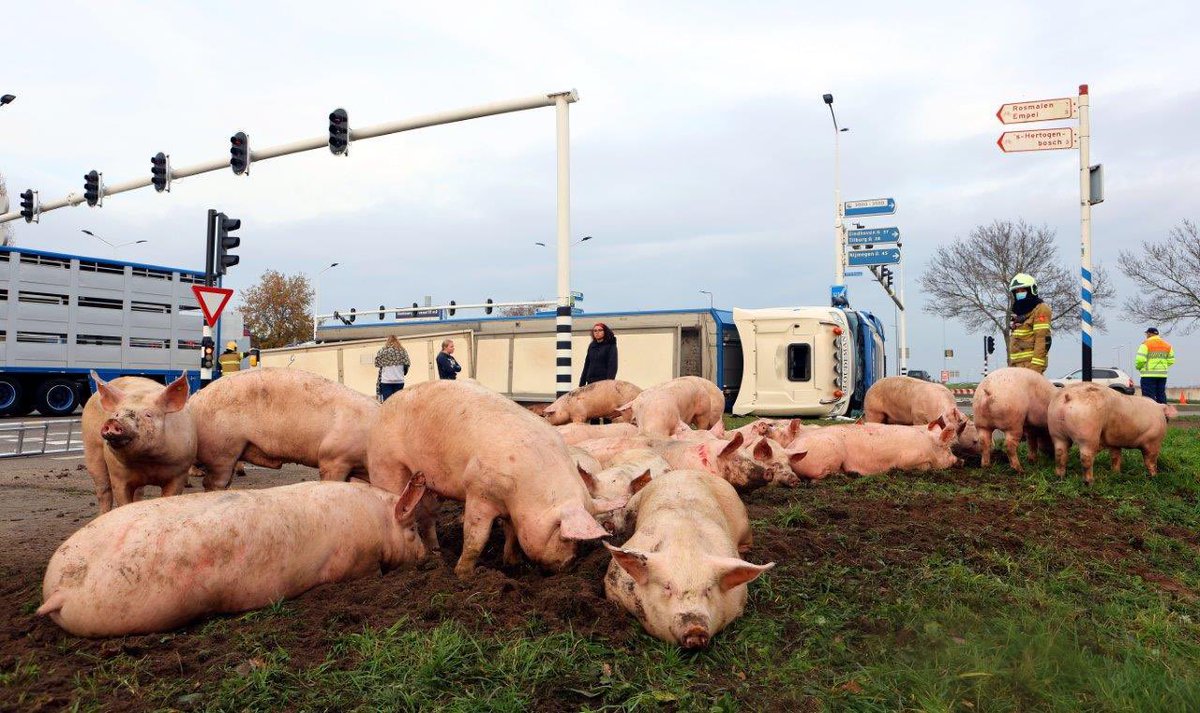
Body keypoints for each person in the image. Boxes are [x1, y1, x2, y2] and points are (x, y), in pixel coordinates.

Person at [1006, 273, 1052, 374]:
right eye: (1017, 291)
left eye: (1023, 290)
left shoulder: (1041, 309)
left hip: (1031, 366)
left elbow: (1042, 340)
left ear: (1032, 290)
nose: (1019, 293)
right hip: (1016, 366)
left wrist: (1036, 368)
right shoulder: (1018, 313)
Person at [1135, 327, 1175, 404]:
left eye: (1146, 333)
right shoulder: (1167, 345)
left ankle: (1150, 415)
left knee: (1148, 398)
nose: (1146, 335)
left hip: (1148, 375)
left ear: (1149, 334)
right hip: (1162, 375)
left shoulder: (1145, 344)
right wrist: (1162, 367)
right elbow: (1171, 360)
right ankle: (1163, 415)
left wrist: (1139, 368)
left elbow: (1140, 360)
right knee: (1161, 395)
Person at [374, 335, 411, 401]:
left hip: (386, 381)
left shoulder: (383, 351)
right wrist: (403, 372)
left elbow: (377, 363)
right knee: (398, 401)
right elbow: (406, 365)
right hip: (399, 381)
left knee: (388, 402)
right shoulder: (402, 351)